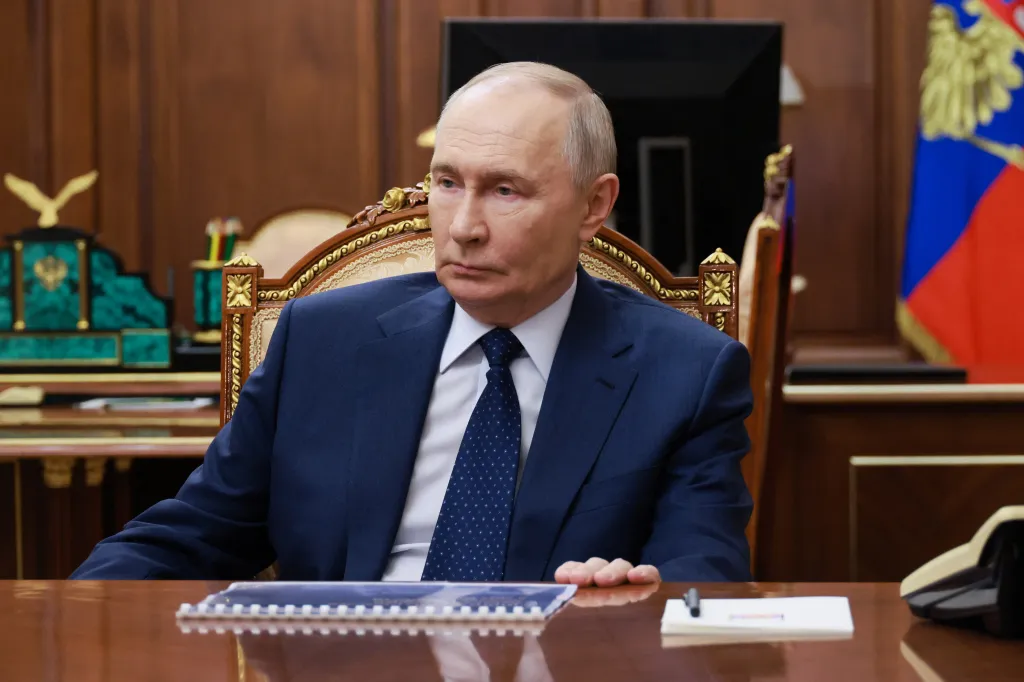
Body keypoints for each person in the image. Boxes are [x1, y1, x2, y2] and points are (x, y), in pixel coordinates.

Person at [72, 61, 754, 585]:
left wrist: (640, 597)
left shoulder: (684, 374)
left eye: (505, 190)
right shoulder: (321, 342)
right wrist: (68, 622)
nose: (462, 228)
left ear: (592, 204)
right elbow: (189, 536)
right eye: (448, 184)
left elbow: (702, 579)